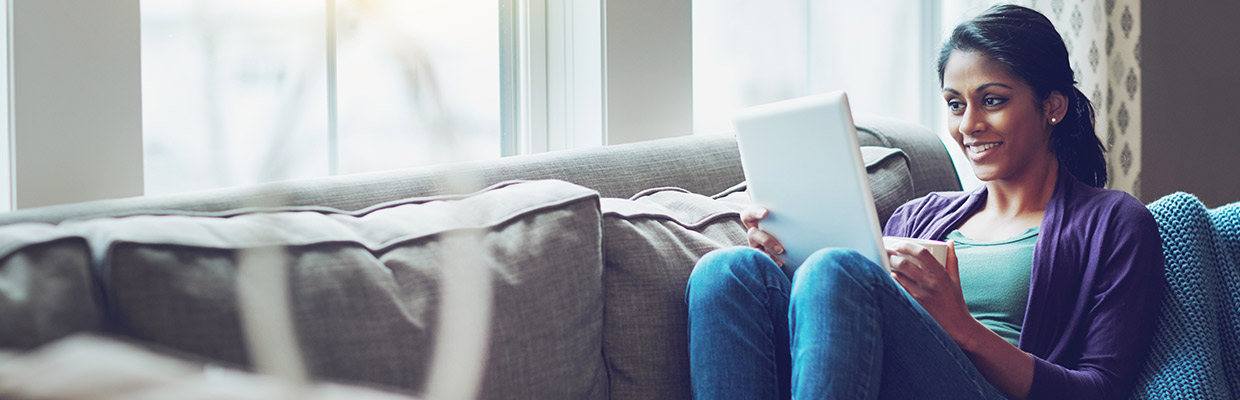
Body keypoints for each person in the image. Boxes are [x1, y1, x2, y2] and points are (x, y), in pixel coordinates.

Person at [684, 4, 1164, 400]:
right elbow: (843, 332)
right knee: (726, 272)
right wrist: (788, 259)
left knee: (839, 270)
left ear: (1052, 106)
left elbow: (1102, 389)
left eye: (992, 100)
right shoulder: (919, 216)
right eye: (956, 104)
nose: (969, 124)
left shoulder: (1114, 222)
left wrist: (962, 327)